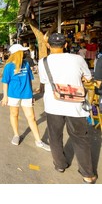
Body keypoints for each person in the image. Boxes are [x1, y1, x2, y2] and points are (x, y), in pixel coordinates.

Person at [38, 33, 97, 184]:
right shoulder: (78, 59)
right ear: (65, 45)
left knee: (55, 136)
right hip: (75, 105)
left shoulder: (43, 62)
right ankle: (88, 174)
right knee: (80, 139)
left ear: (49, 46)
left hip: (53, 105)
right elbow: (88, 78)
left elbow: (44, 81)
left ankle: (60, 165)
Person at [1, 43, 51, 151]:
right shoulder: (9, 66)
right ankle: (16, 135)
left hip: (26, 94)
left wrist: (32, 95)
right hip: (13, 94)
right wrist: (5, 96)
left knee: (31, 117)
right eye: (22, 51)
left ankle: (38, 141)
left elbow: (29, 80)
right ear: (17, 53)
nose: (24, 53)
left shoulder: (26, 64)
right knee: (14, 114)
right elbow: (5, 82)